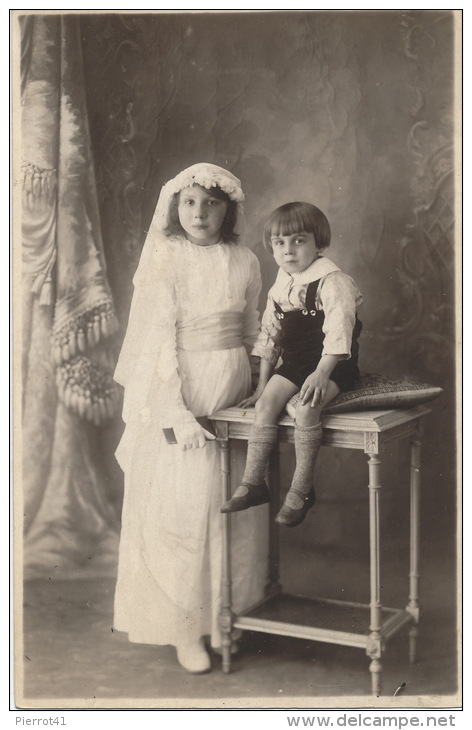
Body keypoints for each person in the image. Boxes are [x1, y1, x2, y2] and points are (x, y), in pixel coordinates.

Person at [113, 163, 267, 674]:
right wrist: (175, 412)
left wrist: (260, 389)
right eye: (190, 203)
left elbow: (251, 331)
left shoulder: (245, 260)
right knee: (182, 512)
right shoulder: (167, 256)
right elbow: (158, 339)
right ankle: (184, 627)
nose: (200, 213)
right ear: (176, 210)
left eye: (212, 203)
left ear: (230, 209)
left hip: (234, 391)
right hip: (181, 392)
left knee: (227, 508)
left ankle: (225, 616)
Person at [221, 201, 362, 527]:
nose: (288, 251)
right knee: (267, 404)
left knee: (306, 408)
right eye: (279, 243)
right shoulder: (281, 284)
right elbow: (270, 336)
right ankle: (254, 483)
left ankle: (301, 489)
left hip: (334, 363)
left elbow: (340, 332)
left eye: (298, 240)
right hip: (297, 362)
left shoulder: (333, 280)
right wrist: (261, 387)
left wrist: (321, 373)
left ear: (319, 243)